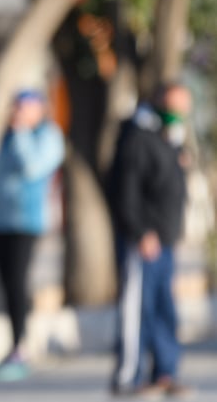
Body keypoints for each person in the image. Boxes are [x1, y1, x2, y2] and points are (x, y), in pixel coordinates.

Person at [106, 83, 193, 397]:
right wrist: (141, 231)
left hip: (166, 239)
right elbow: (126, 191)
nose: (183, 113)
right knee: (136, 309)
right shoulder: (138, 138)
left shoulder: (168, 139)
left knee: (163, 308)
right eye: (178, 106)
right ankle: (129, 376)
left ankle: (165, 372)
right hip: (143, 240)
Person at [0, 89, 64, 381]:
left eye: (24, 108)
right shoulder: (6, 136)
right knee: (5, 286)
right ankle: (14, 344)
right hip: (0, 221)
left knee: (18, 284)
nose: (17, 113)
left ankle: (21, 348)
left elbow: (32, 167)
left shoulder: (48, 136)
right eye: (16, 107)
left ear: (40, 110)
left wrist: (20, 133)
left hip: (26, 222)